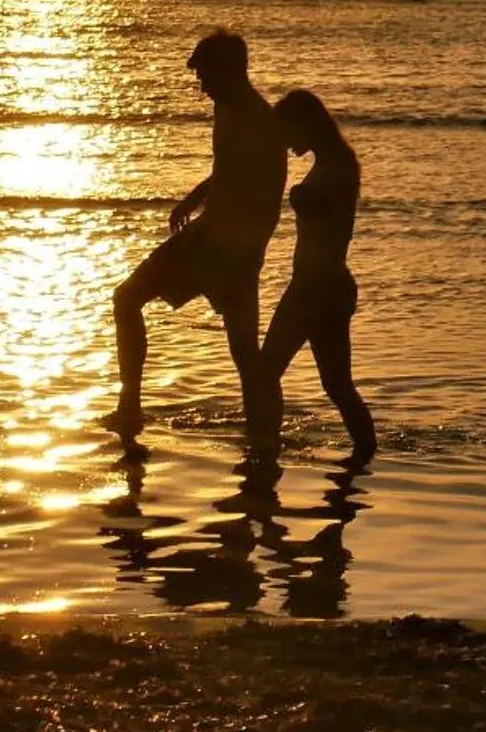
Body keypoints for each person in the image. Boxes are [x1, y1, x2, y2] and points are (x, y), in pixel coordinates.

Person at [111, 29, 287, 441]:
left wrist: (242, 255)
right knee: (128, 300)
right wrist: (193, 198)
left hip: (227, 249)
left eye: (206, 76)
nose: (201, 86)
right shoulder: (227, 108)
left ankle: (263, 429)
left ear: (230, 72)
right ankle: (130, 405)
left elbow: (264, 193)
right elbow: (228, 170)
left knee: (242, 350)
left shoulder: (261, 122)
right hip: (212, 240)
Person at [257, 88, 376, 460]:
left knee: (265, 373)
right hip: (323, 286)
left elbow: (332, 216)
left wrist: (301, 199)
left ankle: (263, 448)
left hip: (316, 288)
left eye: (288, 133)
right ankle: (364, 454)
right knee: (337, 384)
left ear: (305, 125)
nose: (286, 143)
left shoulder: (337, 167)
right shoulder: (332, 162)